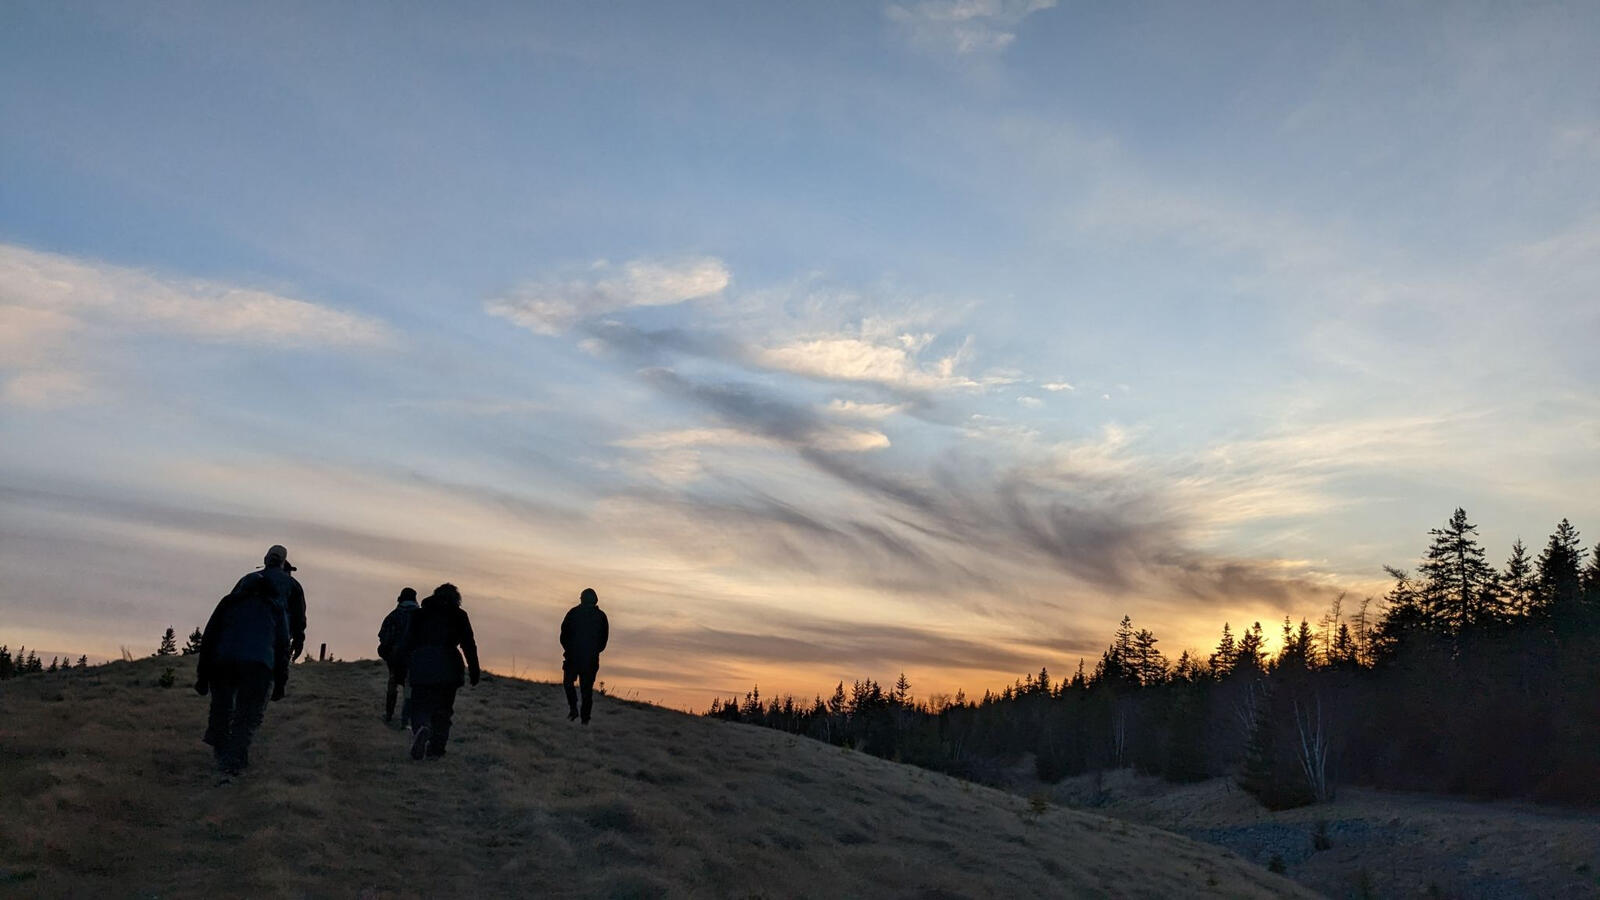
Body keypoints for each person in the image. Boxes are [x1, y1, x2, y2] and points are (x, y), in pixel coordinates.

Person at [195, 573, 290, 775]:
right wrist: (280, 683)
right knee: (246, 715)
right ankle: (233, 760)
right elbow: (282, 647)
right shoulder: (275, 607)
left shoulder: (228, 603)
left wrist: (202, 677)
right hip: (258, 666)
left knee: (221, 708)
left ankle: (221, 750)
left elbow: (209, 639)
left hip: (224, 663)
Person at [395, 583, 479, 760]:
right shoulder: (459, 615)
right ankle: (436, 750)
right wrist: (474, 671)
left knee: (420, 707)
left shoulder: (419, 615)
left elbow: (406, 643)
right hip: (449, 667)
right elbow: (468, 644)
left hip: (421, 666)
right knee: (443, 710)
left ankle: (422, 728)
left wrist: (400, 670)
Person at [232, 544, 307, 661]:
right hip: (275, 643)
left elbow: (229, 608)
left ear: (265, 560)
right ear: (283, 563)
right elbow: (299, 618)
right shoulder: (293, 585)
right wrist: (298, 641)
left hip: (243, 642)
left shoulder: (247, 580)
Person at [560, 587, 609, 724]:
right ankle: (576, 712)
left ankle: (583, 718)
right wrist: (570, 649)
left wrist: (592, 651)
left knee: (584, 690)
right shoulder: (574, 613)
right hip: (576, 657)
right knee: (578, 687)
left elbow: (603, 639)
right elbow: (564, 634)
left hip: (586, 659)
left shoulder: (599, 616)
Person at [377, 587, 419, 724]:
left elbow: (383, 636)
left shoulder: (393, 615)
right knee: (409, 687)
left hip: (395, 657)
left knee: (392, 683)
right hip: (414, 657)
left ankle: (389, 714)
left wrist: (388, 650)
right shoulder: (421, 616)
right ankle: (405, 719)